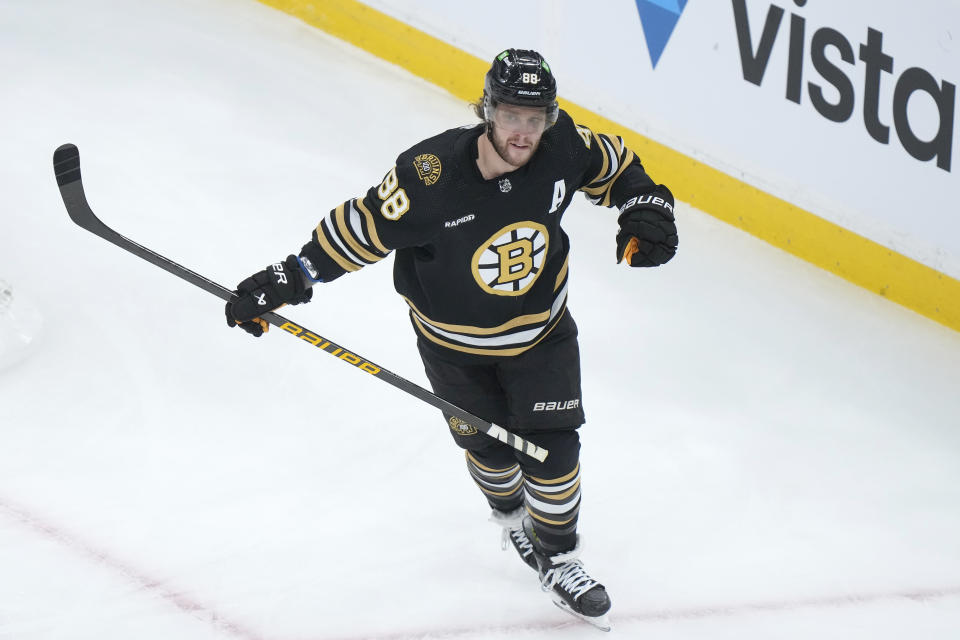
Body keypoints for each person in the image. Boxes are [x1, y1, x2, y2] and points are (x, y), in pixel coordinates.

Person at [225, 48, 678, 630]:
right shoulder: (429, 176)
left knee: (554, 448)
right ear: (487, 109)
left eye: (536, 118)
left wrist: (645, 206)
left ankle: (560, 556)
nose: (524, 132)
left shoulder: (564, 144)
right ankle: (510, 516)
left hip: (542, 336)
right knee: (487, 450)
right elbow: (361, 228)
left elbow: (616, 166)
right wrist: (288, 278)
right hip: (452, 348)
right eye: (513, 115)